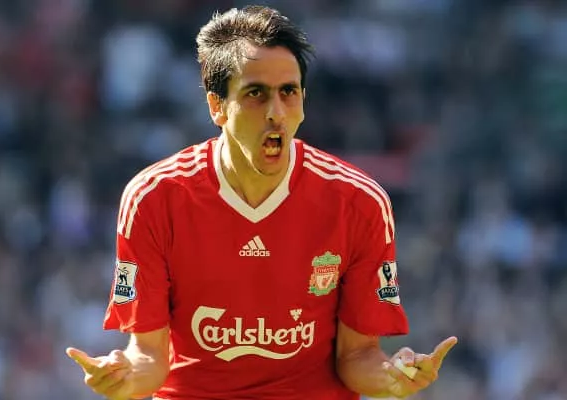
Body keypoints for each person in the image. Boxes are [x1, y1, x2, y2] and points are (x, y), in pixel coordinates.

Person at [66, 5, 457, 400]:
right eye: (256, 94)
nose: (276, 113)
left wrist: (391, 376)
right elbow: (148, 356)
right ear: (217, 106)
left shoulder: (358, 203)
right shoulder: (153, 199)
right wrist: (124, 377)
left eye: (289, 92)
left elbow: (358, 355)